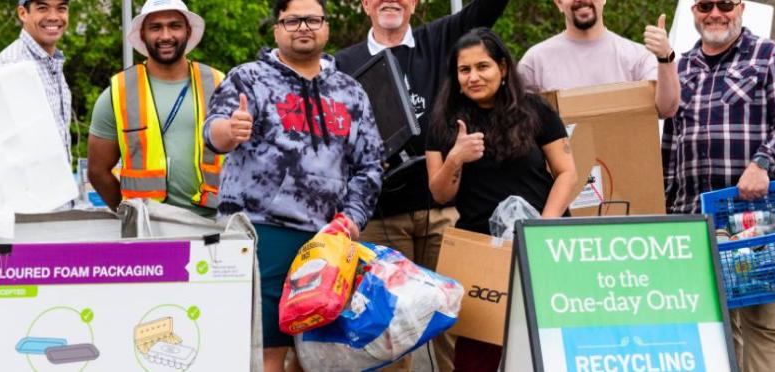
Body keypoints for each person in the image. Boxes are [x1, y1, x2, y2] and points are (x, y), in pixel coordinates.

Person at [203, 0, 384, 369]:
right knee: (266, 351)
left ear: (326, 27)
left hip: (326, 240)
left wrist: (352, 218)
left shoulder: (350, 91)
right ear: (277, 29)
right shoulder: (247, 78)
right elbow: (213, 132)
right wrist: (229, 131)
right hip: (261, 231)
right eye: (293, 20)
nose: (303, 27)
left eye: (312, 19)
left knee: (318, 353)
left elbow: (371, 163)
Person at [334, 2, 508, 368]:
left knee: (456, 318)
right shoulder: (343, 63)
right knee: (388, 327)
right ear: (364, 4)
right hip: (380, 217)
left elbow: (488, 9)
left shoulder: (438, 38)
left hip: (444, 212)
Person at [663, 1, 775, 371]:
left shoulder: (770, 56)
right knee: (710, 324)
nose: (715, 13)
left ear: (740, 7)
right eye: (705, 5)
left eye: (725, 3)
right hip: (690, 216)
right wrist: (663, 208)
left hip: (752, 213)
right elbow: (669, 145)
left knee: (759, 321)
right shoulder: (681, 67)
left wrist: (764, 163)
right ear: (694, 11)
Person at [425, 28, 578, 372]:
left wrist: (543, 226)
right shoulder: (442, 121)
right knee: (477, 354)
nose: (474, 76)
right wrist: (456, 157)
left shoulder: (536, 110)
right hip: (481, 250)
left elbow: (567, 172)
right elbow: (439, 193)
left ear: (504, 68)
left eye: (483, 66)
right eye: (465, 70)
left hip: (542, 244)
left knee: (550, 343)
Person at [87, 0, 225, 216]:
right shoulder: (118, 93)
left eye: (174, 26)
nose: (166, 36)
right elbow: (97, 171)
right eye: (155, 27)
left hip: (212, 224)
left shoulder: (219, 84)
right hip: (147, 228)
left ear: (188, 31)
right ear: (142, 34)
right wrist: (129, 215)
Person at [516, 0, 679, 118]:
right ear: (558, 3)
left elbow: (666, 109)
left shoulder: (637, 56)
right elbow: (516, 121)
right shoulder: (535, 62)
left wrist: (665, 57)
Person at [0, 0, 74, 159]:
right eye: (42, 8)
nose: (53, 17)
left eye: (61, 8)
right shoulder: (10, 66)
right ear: (23, 13)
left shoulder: (52, 63)